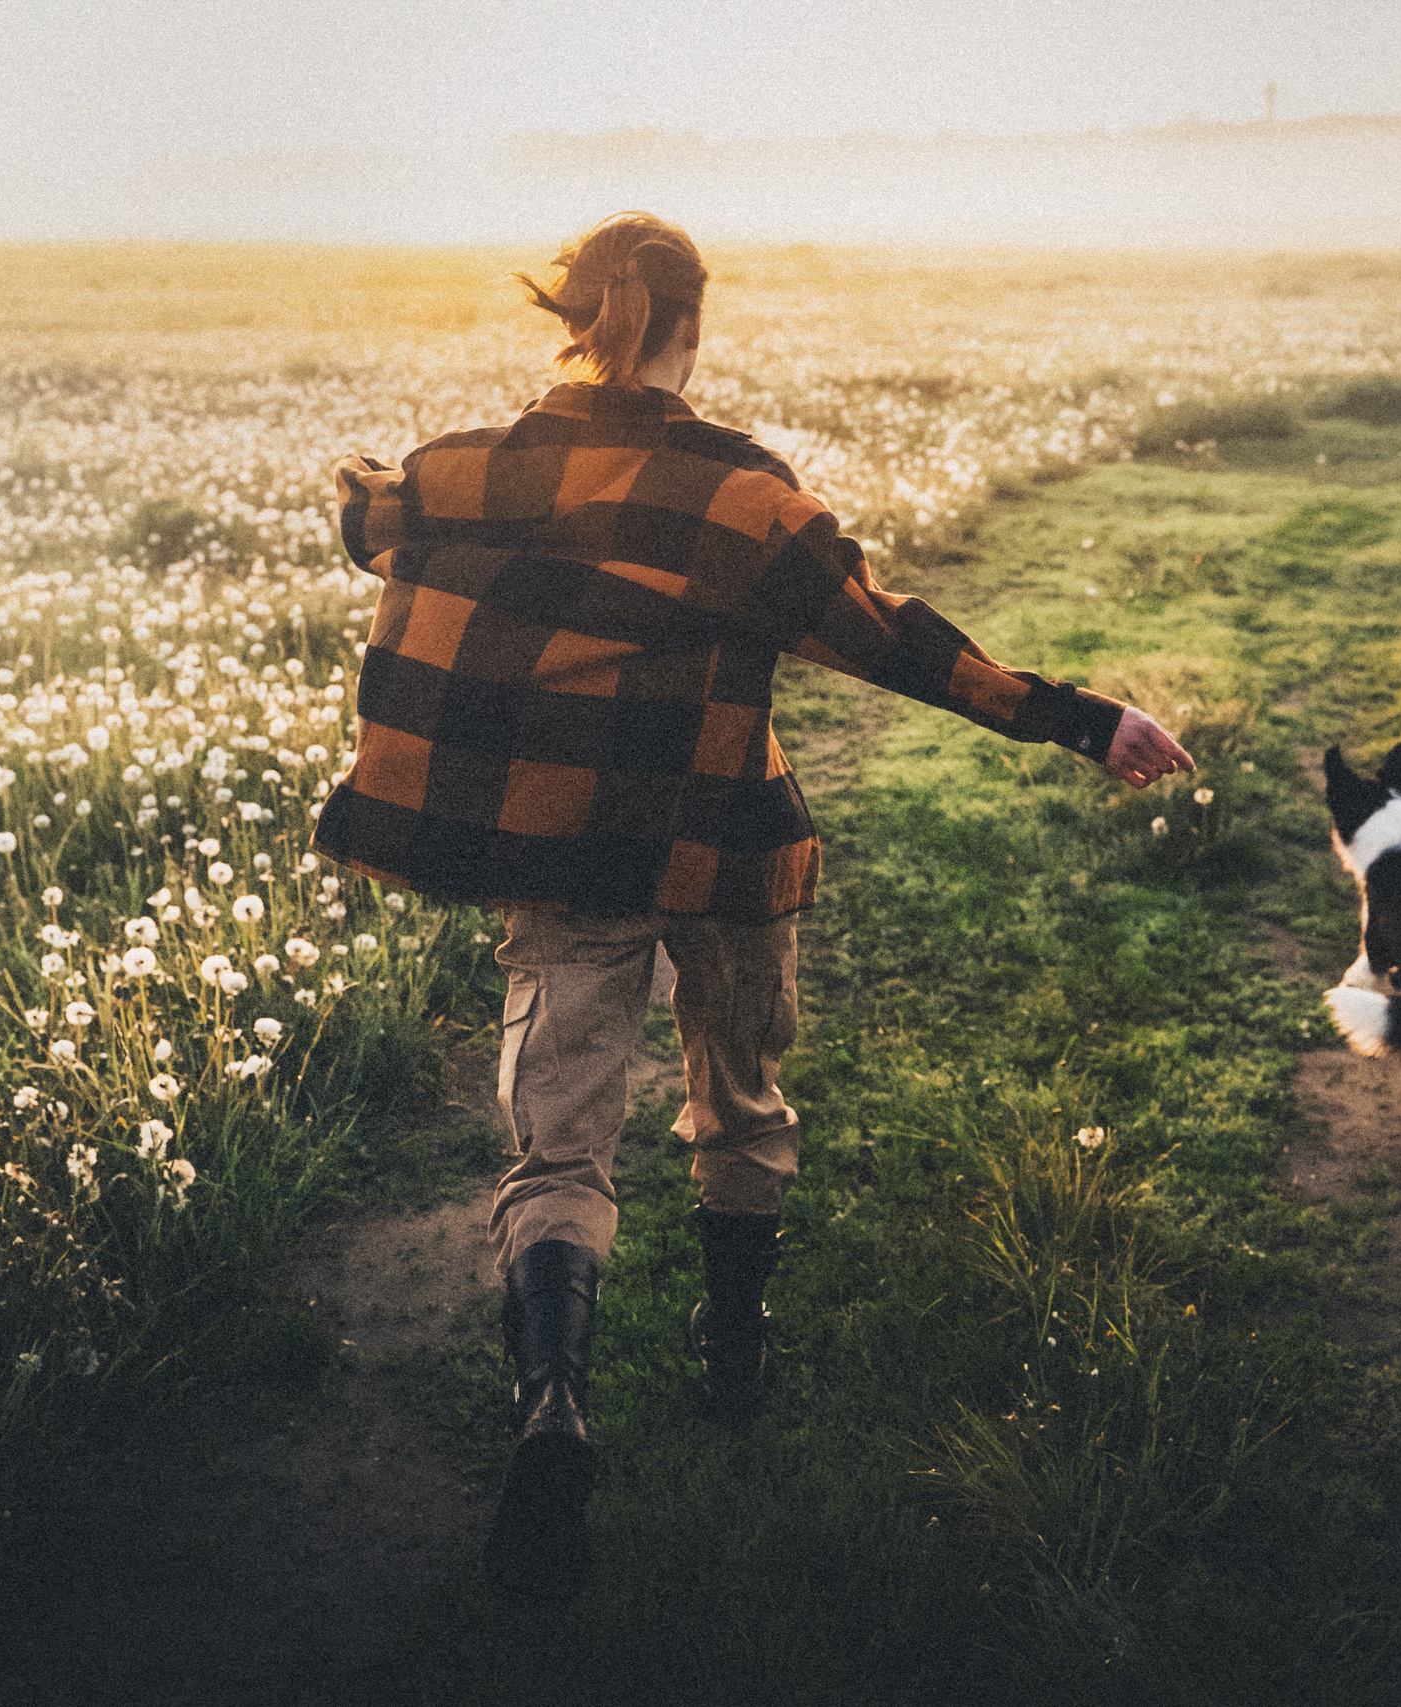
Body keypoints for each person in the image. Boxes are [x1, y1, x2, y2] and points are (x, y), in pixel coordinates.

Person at [313, 212, 1191, 1596]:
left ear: (580, 315)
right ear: (690, 328)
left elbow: (372, 511)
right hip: (724, 848)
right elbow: (889, 637)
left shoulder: (478, 468)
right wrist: (1082, 720)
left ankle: (553, 1403)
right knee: (742, 1098)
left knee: (560, 1151)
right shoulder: (746, 498)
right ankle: (735, 1358)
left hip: (568, 859)